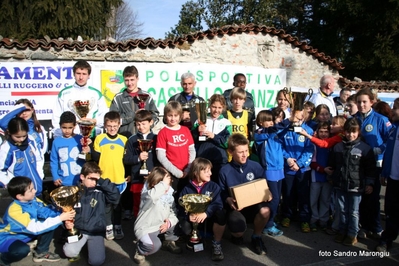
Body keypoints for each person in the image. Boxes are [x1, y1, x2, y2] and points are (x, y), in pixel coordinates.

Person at [0, 176, 75, 265]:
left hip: (28, 234)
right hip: (10, 238)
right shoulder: (15, 210)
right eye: (31, 190)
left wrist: (62, 210)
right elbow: (35, 228)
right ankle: (4, 260)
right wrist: (60, 218)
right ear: (20, 196)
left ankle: (41, 252)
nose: (35, 191)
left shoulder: (33, 200)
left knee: (50, 221)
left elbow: (45, 211)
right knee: (22, 250)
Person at [218, 133, 272, 255]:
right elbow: (221, 191)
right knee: (238, 233)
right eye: (240, 152)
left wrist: (268, 193)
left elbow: (264, 184)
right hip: (236, 208)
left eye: (246, 151)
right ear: (231, 152)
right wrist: (228, 199)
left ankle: (256, 237)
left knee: (265, 211)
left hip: (254, 205)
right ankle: (236, 234)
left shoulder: (255, 166)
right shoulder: (225, 170)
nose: (245, 155)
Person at [328, 118, 376, 246]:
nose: (351, 135)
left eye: (354, 132)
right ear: (344, 132)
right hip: (340, 184)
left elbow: (370, 169)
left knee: (354, 211)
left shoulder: (365, 149)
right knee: (342, 209)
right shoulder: (338, 147)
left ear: (358, 132)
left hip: (356, 186)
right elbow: (333, 165)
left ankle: (352, 234)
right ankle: (342, 231)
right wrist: (331, 176)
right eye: (348, 132)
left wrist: (369, 183)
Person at [63, 162, 120, 265]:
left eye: (96, 179)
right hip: (79, 230)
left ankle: (94, 247)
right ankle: (78, 246)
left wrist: (101, 181)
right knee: (69, 252)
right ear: (82, 177)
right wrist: (67, 223)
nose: (94, 182)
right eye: (91, 179)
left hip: (95, 231)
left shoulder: (101, 192)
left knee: (97, 261)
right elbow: (66, 212)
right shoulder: (74, 192)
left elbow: (115, 196)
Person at [354, 89, 392, 239]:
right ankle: (363, 226)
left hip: (375, 164)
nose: (361, 105)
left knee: (373, 197)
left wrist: (379, 149)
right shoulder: (354, 119)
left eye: (364, 102)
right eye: (359, 102)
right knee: (361, 197)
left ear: (371, 102)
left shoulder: (381, 119)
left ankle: (376, 227)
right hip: (358, 165)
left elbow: (391, 139)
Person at [178, 158, 226, 261]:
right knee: (185, 228)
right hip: (194, 219)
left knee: (221, 214)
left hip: (209, 219)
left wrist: (206, 213)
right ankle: (194, 235)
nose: (210, 173)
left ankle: (216, 244)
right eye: (206, 171)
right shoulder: (186, 188)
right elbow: (181, 205)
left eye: (210, 170)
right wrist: (188, 215)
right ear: (196, 172)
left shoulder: (214, 186)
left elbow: (218, 204)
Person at [133, 167, 182, 264]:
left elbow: (173, 212)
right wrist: (163, 184)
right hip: (147, 227)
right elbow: (152, 197)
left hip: (161, 225)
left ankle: (168, 241)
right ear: (153, 184)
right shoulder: (147, 194)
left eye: (168, 184)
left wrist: (169, 222)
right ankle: (140, 250)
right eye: (163, 184)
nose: (167, 187)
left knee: (176, 221)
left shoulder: (169, 196)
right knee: (154, 245)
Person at [254, 110, 290, 237]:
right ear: (260, 122)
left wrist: (292, 125)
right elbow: (271, 131)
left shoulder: (273, 133)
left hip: (279, 170)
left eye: (271, 120)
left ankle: (271, 221)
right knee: (273, 200)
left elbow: (281, 133)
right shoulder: (260, 133)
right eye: (267, 120)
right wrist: (289, 120)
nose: (270, 123)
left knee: (277, 199)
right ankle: (267, 225)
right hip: (269, 171)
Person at [92, 111, 127, 241]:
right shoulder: (99, 139)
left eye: (115, 125)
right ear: (105, 125)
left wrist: (127, 175)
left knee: (117, 205)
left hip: (119, 179)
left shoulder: (124, 140)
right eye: (109, 126)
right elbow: (96, 159)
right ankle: (108, 226)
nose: (112, 128)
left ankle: (118, 226)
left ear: (119, 125)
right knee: (106, 205)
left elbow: (125, 160)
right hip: (105, 180)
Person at [52, 60, 108, 138]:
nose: (81, 77)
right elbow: (56, 118)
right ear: (74, 74)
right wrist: (59, 138)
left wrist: (92, 121)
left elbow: (104, 117)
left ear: (89, 75)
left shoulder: (96, 94)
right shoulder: (64, 93)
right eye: (78, 73)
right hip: (70, 137)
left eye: (84, 74)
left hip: (91, 137)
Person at [280, 110, 314, 233]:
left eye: (300, 117)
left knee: (303, 195)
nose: (297, 119)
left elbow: (309, 150)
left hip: (302, 170)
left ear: (303, 117)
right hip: (288, 169)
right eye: (295, 116)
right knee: (288, 194)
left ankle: (304, 219)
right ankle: (287, 215)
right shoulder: (285, 130)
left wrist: (299, 164)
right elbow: (281, 147)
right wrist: (288, 159)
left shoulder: (308, 131)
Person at [123, 110, 158, 219]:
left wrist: (155, 172)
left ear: (151, 122)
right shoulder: (132, 140)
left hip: (153, 178)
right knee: (138, 206)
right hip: (137, 178)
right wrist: (138, 158)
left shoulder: (156, 138)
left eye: (143, 124)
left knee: (154, 205)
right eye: (138, 124)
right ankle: (139, 232)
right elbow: (126, 159)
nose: (141, 127)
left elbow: (159, 158)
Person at [156, 101, 195, 196]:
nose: (173, 118)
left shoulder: (186, 130)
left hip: (187, 173)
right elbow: (161, 157)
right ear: (165, 116)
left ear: (180, 116)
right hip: (171, 174)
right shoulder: (163, 132)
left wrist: (188, 169)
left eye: (175, 115)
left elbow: (192, 151)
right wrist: (177, 172)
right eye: (170, 115)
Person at [191, 94, 232, 183]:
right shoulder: (201, 119)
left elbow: (227, 143)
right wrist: (197, 130)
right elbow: (191, 139)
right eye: (214, 107)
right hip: (203, 158)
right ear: (209, 106)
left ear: (223, 108)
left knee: (219, 183)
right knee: (202, 183)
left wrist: (214, 137)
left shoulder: (226, 123)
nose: (216, 110)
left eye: (219, 107)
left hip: (219, 160)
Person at [376, 98, 399, 251]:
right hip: (393, 177)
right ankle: (387, 239)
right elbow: (389, 152)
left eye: (396, 108)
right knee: (391, 209)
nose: (392, 111)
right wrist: (385, 171)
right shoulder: (394, 128)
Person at [110, 65, 159, 136]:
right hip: (124, 137)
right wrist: (133, 115)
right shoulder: (118, 98)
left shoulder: (147, 96)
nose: (129, 83)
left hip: (144, 137)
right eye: (126, 80)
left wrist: (147, 127)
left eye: (132, 80)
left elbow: (155, 115)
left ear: (137, 79)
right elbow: (113, 120)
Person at [0, 117, 42, 195]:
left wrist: (40, 176)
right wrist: (11, 185)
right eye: (18, 137)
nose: (21, 139)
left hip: (37, 189)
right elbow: (1, 170)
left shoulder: (31, 141)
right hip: (20, 194)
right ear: (9, 132)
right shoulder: (6, 148)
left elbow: (39, 159)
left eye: (24, 136)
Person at [50, 111, 86, 187]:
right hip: (63, 181)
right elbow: (54, 161)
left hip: (79, 180)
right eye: (64, 127)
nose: (67, 131)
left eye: (70, 128)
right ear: (60, 126)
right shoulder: (56, 142)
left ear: (75, 126)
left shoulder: (80, 139)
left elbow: (86, 158)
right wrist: (55, 177)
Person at [309, 122, 333, 231]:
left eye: (326, 131)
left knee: (325, 199)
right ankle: (314, 218)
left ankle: (324, 219)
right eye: (321, 132)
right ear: (317, 132)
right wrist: (323, 169)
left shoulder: (331, 145)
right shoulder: (314, 144)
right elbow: (312, 162)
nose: (323, 134)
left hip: (328, 178)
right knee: (313, 199)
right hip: (316, 177)